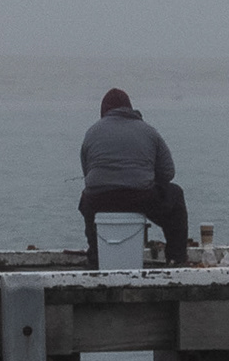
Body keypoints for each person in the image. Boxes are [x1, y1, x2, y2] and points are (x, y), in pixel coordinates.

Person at [77, 88, 192, 265]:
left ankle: (95, 257)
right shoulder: (148, 131)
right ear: (130, 108)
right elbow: (168, 172)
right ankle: (176, 258)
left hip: (100, 200)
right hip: (140, 196)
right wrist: (144, 176)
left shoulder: (92, 132)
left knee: (86, 198)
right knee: (175, 195)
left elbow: (87, 174)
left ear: (103, 110)